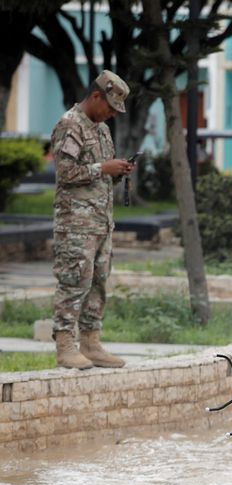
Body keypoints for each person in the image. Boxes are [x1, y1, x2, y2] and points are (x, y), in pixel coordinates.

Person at [49, 70, 135, 370]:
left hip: (100, 222)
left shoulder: (102, 130)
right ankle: (65, 345)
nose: (111, 114)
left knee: (98, 283)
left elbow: (100, 175)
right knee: (74, 281)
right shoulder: (70, 125)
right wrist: (103, 168)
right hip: (75, 225)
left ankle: (90, 342)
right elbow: (65, 173)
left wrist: (117, 171)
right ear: (96, 96)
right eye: (110, 108)